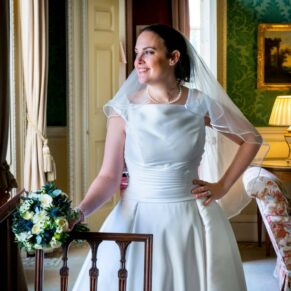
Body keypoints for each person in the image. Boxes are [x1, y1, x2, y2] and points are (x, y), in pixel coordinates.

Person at [71, 24, 263, 291]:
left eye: (148, 52)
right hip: (136, 218)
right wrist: (78, 213)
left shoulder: (199, 103)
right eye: (137, 52)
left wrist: (222, 186)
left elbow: (251, 138)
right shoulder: (123, 110)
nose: (138, 61)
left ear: (173, 58)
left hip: (192, 218)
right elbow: (108, 176)